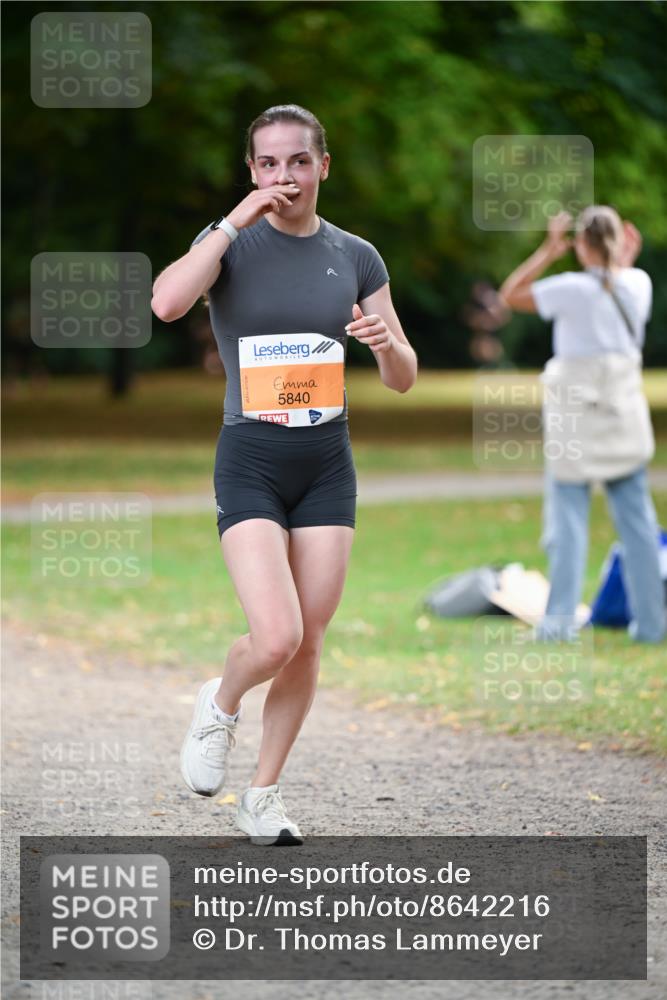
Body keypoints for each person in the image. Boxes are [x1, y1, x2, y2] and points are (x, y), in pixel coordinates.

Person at [151, 104, 417, 844]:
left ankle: (261, 797)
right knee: (275, 636)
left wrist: (382, 343)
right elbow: (168, 303)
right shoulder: (228, 246)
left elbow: (403, 376)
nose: (284, 176)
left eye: (298, 161)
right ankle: (221, 700)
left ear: (322, 166)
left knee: (309, 637)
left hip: (326, 462)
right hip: (251, 458)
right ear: (251, 171)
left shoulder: (356, 255)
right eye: (268, 163)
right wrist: (232, 222)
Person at [499, 206, 665, 643]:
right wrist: (621, 257)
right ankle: (651, 625)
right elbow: (616, 282)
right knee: (639, 526)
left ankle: (558, 625)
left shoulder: (569, 288)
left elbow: (510, 295)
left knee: (568, 523)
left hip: (576, 423)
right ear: (619, 243)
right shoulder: (639, 283)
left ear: (581, 244)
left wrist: (548, 250)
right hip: (622, 419)